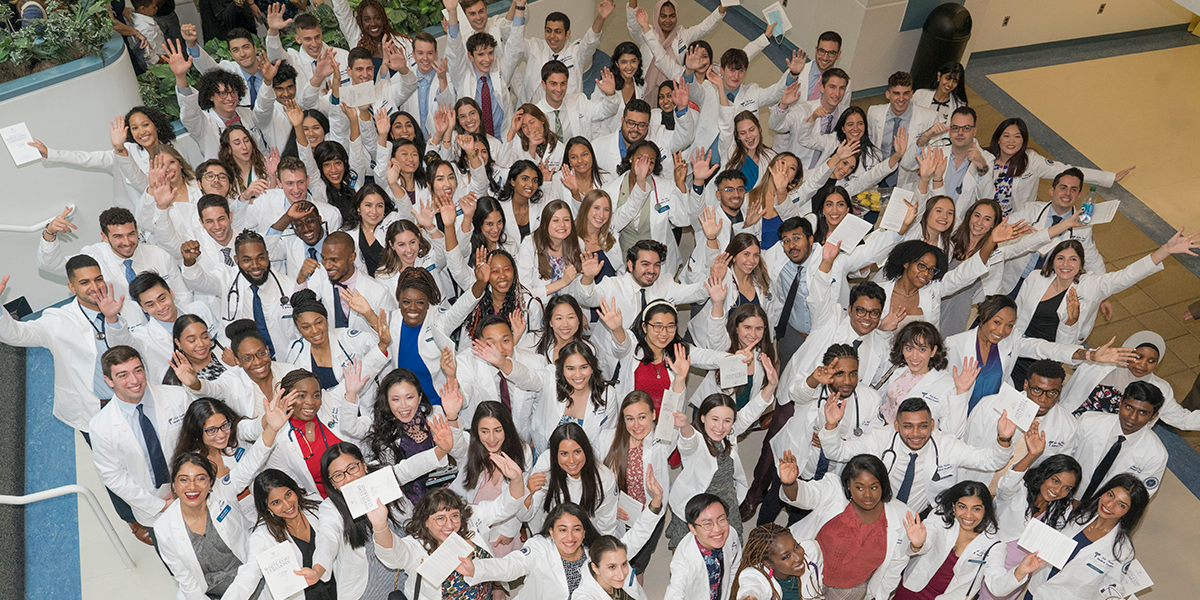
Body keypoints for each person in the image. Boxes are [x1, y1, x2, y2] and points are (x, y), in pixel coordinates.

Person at [819, 397, 1015, 514]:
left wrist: (1004, 439)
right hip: (875, 510)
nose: (916, 434)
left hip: (916, 516)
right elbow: (837, 452)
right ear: (896, 426)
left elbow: (990, 461)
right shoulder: (880, 438)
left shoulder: (946, 444)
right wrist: (831, 425)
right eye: (907, 426)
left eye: (923, 426)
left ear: (931, 424)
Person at [944, 295, 1136, 414]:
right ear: (983, 317)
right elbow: (940, 386)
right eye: (997, 322)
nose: (1002, 331)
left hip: (989, 414)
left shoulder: (1012, 340)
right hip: (956, 411)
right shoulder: (954, 345)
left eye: (1010, 325)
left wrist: (1088, 355)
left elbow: (1046, 349)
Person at [778, 452, 916, 600]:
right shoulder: (834, 490)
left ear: (883, 485)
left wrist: (881, 595)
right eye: (860, 487)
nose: (867, 495)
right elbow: (806, 495)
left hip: (850, 591)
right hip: (807, 574)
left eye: (874, 487)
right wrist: (790, 483)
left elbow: (896, 564)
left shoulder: (903, 516)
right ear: (848, 485)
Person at [88, 345, 190, 544]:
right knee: (176, 561)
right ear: (108, 380)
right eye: (123, 375)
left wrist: (184, 489)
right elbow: (113, 477)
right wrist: (159, 506)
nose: (134, 381)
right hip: (153, 506)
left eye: (138, 370)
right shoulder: (101, 426)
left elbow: (197, 444)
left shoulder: (177, 397)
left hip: (192, 487)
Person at [373, 474, 527, 600]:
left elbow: (505, 506)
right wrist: (380, 527)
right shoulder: (416, 547)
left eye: (454, 516)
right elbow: (393, 554)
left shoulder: (471, 521)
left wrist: (517, 478)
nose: (449, 524)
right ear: (425, 521)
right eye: (440, 518)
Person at [40, 206, 191, 327]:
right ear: (104, 237)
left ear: (137, 231)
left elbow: (182, 295)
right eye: (118, 237)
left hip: (169, 323)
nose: (127, 242)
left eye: (131, 234)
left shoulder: (159, 254)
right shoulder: (93, 256)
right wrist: (50, 233)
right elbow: (51, 265)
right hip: (124, 328)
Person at [666, 384, 777, 549]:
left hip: (725, 505)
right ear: (702, 417)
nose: (720, 427)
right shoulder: (697, 441)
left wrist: (772, 385)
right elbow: (688, 441)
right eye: (714, 419)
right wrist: (684, 426)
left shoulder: (729, 434)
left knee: (728, 551)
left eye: (727, 421)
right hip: (697, 506)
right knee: (689, 553)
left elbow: (750, 413)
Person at [340, 367, 463, 513]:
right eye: (396, 399)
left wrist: (453, 417)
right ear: (387, 401)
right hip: (411, 510)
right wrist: (351, 393)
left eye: (409, 397)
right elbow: (349, 426)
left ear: (419, 397)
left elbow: (459, 452)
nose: (404, 406)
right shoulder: (380, 428)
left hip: (447, 498)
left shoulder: (435, 414)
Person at [893, 481, 1042, 600]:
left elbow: (996, 587)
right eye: (962, 507)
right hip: (912, 589)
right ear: (953, 506)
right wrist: (918, 543)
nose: (968, 515)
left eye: (976, 509)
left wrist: (1020, 572)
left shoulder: (994, 545)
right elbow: (926, 540)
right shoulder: (940, 518)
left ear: (985, 510)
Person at [983, 429, 1081, 600]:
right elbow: (1007, 483)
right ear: (1045, 475)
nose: (1057, 490)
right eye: (1055, 480)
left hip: (1018, 572)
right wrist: (1032, 454)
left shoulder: (1061, 510)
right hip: (990, 558)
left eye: (1066, 488)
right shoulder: (1019, 491)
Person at [302, 442, 406, 600]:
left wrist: (440, 451)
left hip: (404, 571)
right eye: (338, 475)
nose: (349, 478)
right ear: (332, 483)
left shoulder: (382, 482)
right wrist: (318, 569)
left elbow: (408, 521)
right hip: (366, 586)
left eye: (352, 468)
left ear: (364, 464)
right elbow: (327, 538)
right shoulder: (331, 508)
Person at [1022, 475, 1149, 600]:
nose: (1109, 505)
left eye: (1121, 505)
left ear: (1129, 512)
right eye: (1110, 495)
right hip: (1036, 589)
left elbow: (1111, 590)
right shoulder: (1078, 515)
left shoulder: (1122, 550)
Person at [29, 107, 177, 212]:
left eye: (145, 125)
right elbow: (87, 159)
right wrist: (50, 153)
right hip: (131, 221)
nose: (142, 132)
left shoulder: (175, 150)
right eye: (134, 128)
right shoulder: (124, 152)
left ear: (156, 125)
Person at [155, 452, 261, 598]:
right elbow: (187, 581)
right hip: (212, 594)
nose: (192, 486)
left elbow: (250, 463)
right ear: (174, 484)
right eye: (183, 479)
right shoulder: (163, 528)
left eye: (200, 479)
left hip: (252, 581)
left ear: (210, 483)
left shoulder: (222, 496)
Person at [181, 229, 299, 360]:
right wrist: (189, 262)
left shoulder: (290, 287)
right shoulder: (226, 278)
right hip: (245, 364)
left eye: (260, 258)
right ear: (236, 260)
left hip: (288, 362)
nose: (255, 266)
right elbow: (198, 282)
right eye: (247, 260)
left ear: (267, 255)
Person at [961, 360, 1077, 486]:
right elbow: (966, 447)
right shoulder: (990, 405)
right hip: (972, 481)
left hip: (1015, 495)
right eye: (1037, 390)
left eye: (1052, 392)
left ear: (1061, 389)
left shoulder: (1068, 426)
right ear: (1026, 385)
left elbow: (1055, 471)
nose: (1043, 399)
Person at [986, 118, 1133, 216]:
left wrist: (1110, 177)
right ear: (998, 139)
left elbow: (1067, 171)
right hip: (984, 219)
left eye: (1017, 137)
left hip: (1016, 222)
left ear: (1023, 141)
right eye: (1006, 136)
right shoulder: (985, 159)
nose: (1011, 141)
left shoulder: (1031, 161)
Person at [173, 395, 285, 520]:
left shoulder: (235, 432)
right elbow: (244, 473)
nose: (221, 434)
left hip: (267, 510)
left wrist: (269, 419)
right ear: (197, 432)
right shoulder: (193, 466)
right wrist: (271, 430)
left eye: (224, 425)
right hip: (234, 523)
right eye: (211, 430)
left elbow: (254, 427)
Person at [599, 391, 675, 575]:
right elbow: (597, 481)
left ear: (654, 415)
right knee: (617, 561)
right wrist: (608, 506)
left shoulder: (660, 439)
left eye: (642, 417)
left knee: (638, 564)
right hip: (620, 516)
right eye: (630, 419)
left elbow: (672, 409)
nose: (636, 425)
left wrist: (680, 379)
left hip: (651, 512)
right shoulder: (607, 440)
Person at [233, 469, 338, 600]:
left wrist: (318, 571)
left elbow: (330, 539)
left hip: (337, 587)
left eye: (288, 494)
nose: (287, 505)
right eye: (276, 502)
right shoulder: (263, 536)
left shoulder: (314, 503)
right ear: (267, 507)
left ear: (294, 489)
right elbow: (248, 575)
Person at [1062, 330, 1200, 429]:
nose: (1143, 365)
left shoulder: (1160, 389)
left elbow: (1182, 419)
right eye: (1138, 357)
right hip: (1070, 424)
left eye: (1151, 361)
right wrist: (1070, 326)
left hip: (1104, 442)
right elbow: (1065, 355)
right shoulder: (1102, 361)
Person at [174, 319, 303, 421]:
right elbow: (212, 388)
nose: (258, 362)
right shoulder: (232, 380)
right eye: (247, 358)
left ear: (268, 351)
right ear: (237, 361)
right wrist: (194, 383)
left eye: (261, 353)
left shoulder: (290, 371)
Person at [450, 400, 531, 557]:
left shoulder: (522, 451)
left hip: (504, 526)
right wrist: (452, 418)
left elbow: (522, 495)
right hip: (474, 522)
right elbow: (455, 445)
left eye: (498, 430)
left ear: (506, 429)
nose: (491, 438)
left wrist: (510, 530)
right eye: (484, 431)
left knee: (500, 573)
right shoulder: (471, 449)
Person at [108, 272, 219, 384]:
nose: (160, 307)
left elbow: (220, 342)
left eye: (162, 299)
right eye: (150, 305)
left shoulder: (200, 309)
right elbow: (120, 346)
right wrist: (111, 317)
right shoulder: (143, 338)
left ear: (171, 292)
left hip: (220, 379)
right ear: (143, 308)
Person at [283, 290, 390, 407]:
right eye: (306, 327)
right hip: (324, 416)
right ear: (298, 329)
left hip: (361, 411)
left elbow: (379, 343)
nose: (314, 330)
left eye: (319, 322)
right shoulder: (295, 349)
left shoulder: (346, 339)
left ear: (327, 320)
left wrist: (368, 314)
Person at [1071, 381, 1168, 502]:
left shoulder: (1156, 454)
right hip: (1064, 495)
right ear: (1120, 402)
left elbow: (1138, 498)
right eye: (1129, 407)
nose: (1133, 417)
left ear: (1153, 416)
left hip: (1105, 511)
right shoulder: (1088, 421)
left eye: (1143, 412)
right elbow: (1062, 458)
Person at [520, 422, 621, 536]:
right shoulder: (546, 467)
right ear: (554, 454)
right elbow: (525, 515)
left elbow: (607, 527)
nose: (572, 461)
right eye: (564, 454)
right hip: (550, 539)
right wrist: (528, 492)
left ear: (586, 450)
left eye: (577, 452)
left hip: (586, 541)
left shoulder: (604, 478)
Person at [877, 322, 970, 437]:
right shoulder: (899, 369)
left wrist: (961, 392)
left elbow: (954, 433)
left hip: (912, 441)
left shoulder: (945, 384)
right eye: (909, 348)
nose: (914, 356)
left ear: (933, 351)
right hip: (883, 432)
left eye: (922, 350)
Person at [507, 2, 613, 103]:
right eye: (548, 31)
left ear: (567, 34)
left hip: (567, 110)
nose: (552, 36)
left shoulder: (575, 52)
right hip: (536, 111)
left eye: (558, 32)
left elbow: (590, 42)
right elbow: (516, 43)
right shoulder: (535, 47)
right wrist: (520, 7)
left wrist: (601, 17)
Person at [444, 6, 521, 139]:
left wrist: (520, 7)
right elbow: (455, 49)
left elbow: (514, 46)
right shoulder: (462, 76)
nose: (487, 59)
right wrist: (452, 12)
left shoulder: (501, 72)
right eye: (481, 54)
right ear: (470, 56)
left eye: (490, 53)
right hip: (474, 141)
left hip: (503, 139)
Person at [627, 0, 726, 93]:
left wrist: (724, 5)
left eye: (672, 16)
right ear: (657, 16)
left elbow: (704, 27)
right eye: (663, 16)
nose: (668, 20)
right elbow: (632, 23)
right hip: (645, 90)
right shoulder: (646, 33)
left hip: (674, 92)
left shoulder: (682, 35)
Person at [662, 493, 743, 600]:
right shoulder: (684, 560)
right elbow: (675, 591)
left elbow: (735, 565)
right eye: (708, 524)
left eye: (721, 519)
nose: (717, 529)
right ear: (692, 528)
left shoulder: (730, 534)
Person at [866, 71, 940, 188]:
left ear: (911, 94)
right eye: (896, 93)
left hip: (908, 179)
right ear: (887, 94)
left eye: (905, 93)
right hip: (879, 176)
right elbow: (869, 143)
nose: (901, 99)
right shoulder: (873, 113)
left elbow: (936, 149)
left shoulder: (930, 118)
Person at [771, 67, 850, 170]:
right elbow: (776, 126)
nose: (837, 93)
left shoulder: (846, 114)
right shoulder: (803, 109)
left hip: (825, 173)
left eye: (842, 88)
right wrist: (783, 105)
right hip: (797, 170)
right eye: (832, 87)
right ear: (822, 88)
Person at [728, 523, 825, 600]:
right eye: (786, 557)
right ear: (768, 564)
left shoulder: (812, 552)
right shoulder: (756, 576)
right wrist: (748, 597)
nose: (798, 558)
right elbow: (751, 587)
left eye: (796, 547)